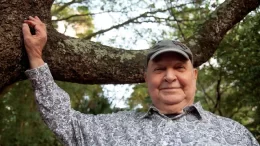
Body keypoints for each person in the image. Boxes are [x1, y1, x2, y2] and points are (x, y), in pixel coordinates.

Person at [22, 16, 259, 146]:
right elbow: (64, 122)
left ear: (194, 75)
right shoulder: (112, 130)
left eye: (179, 67)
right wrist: (35, 56)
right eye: (159, 69)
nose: (169, 76)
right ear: (146, 78)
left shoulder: (234, 135)